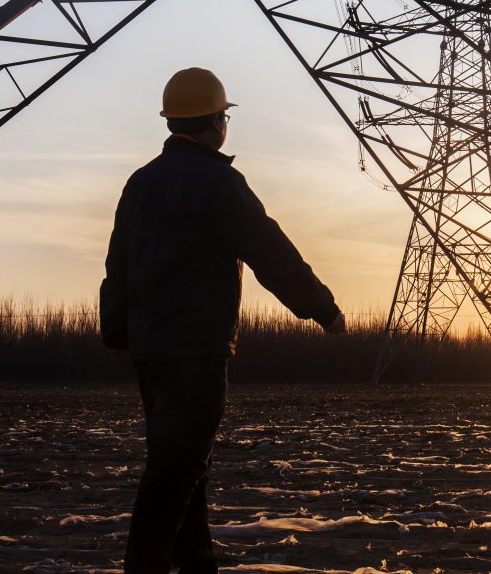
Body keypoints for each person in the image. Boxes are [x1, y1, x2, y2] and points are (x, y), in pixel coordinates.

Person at [100, 66, 345, 574]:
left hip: (151, 352)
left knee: (186, 466)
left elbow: (118, 261)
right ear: (216, 121)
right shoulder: (218, 182)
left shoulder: (140, 182)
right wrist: (321, 307)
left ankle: (198, 566)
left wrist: (118, 329)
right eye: (225, 117)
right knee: (176, 469)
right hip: (195, 350)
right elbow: (270, 251)